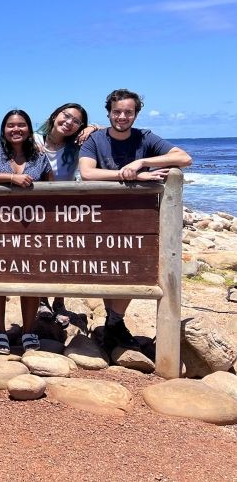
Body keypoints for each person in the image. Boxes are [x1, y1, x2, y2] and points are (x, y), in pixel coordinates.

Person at [79, 88, 192, 353]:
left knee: (132, 268)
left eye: (128, 112)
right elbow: (87, 173)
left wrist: (142, 162)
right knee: (108, 269)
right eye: (117, 112)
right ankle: (113, 324)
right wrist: (127, 175)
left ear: (135, 114)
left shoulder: (145, 137)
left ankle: (114, 323)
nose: (122, 117)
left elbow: (184, 158)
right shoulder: (95, 139)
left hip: (138, 219)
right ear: (108, 112)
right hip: (101, 216)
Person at [0, 109, 53, 353]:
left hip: (32, 228)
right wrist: (11, 178)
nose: (16, 129)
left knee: (30, 277)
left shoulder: (39, 155)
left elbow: (53, 189)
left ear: (29, 128)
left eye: (21, 125)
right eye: (10, 125)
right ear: (4, 128)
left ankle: (28, 331)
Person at [33, 103, 92, 327]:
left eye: (76, 121)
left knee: (61, 254)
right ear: (55, 115)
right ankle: (41, 300)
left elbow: (111, 131)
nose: (69, 122)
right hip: (35, 206)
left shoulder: (76, 144)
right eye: (66, 116)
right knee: (38, 252)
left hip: (63, 207)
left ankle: (59, 301)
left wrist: (93, 128)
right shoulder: (33, 139)